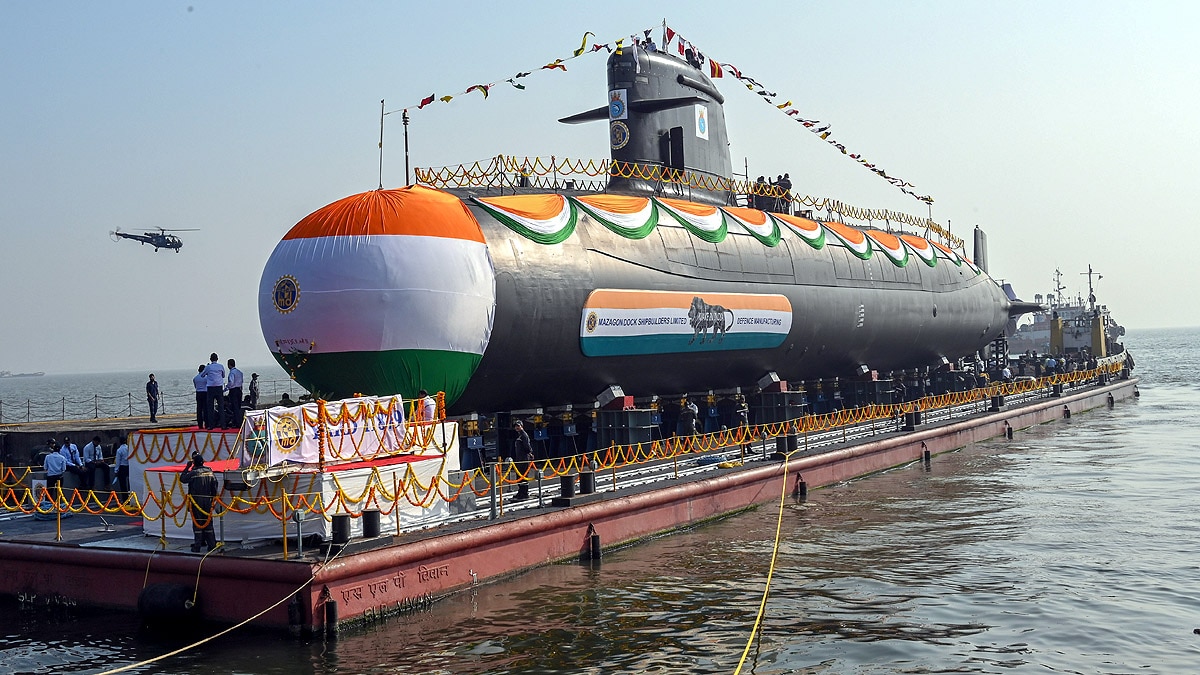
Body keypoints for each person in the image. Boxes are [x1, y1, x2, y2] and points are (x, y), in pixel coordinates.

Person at [181, 452, 219, 553]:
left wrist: (187, 467)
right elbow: (215, 484)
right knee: (208, 523)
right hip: (207, 500)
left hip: (196, 501)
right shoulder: (210, 471)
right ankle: (211, 545)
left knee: (197, 523)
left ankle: (197, 546)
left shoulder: (194, 473)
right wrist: (212, 497)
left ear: (194, 463)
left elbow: (182, 479)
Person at [510, 420, 534, 501]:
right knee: (520, 475)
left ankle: (524, 492)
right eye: (515, 426)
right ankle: (521, 491)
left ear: (522, 426)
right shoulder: (519, 435)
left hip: (524, 458)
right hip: (519, 458)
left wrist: (530, 453)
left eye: (518, 426)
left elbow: (527, 446)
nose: (516, 427)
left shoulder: (524, 435)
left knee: (524, 475)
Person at [203, 353, 226, 430]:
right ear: (217, 359)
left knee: (210, 407)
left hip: (211, 388)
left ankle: (211, 425)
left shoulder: (208, 367)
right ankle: (223, 425)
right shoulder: (221, 366)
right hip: (219, 387)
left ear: (210, 359)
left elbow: (202, 375)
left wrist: (207, 369)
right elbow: (223, 375)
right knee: (221, 406)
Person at [225, 358, 244, 428]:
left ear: (229, 365)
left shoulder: (232, 373)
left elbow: (231, 382)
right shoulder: (240, 372)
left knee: (234, 407)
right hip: (239, 390)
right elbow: (241, 381)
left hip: (233, 391)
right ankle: (239, 421)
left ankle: (236, 423)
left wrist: (226, 388)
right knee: (238, 407)